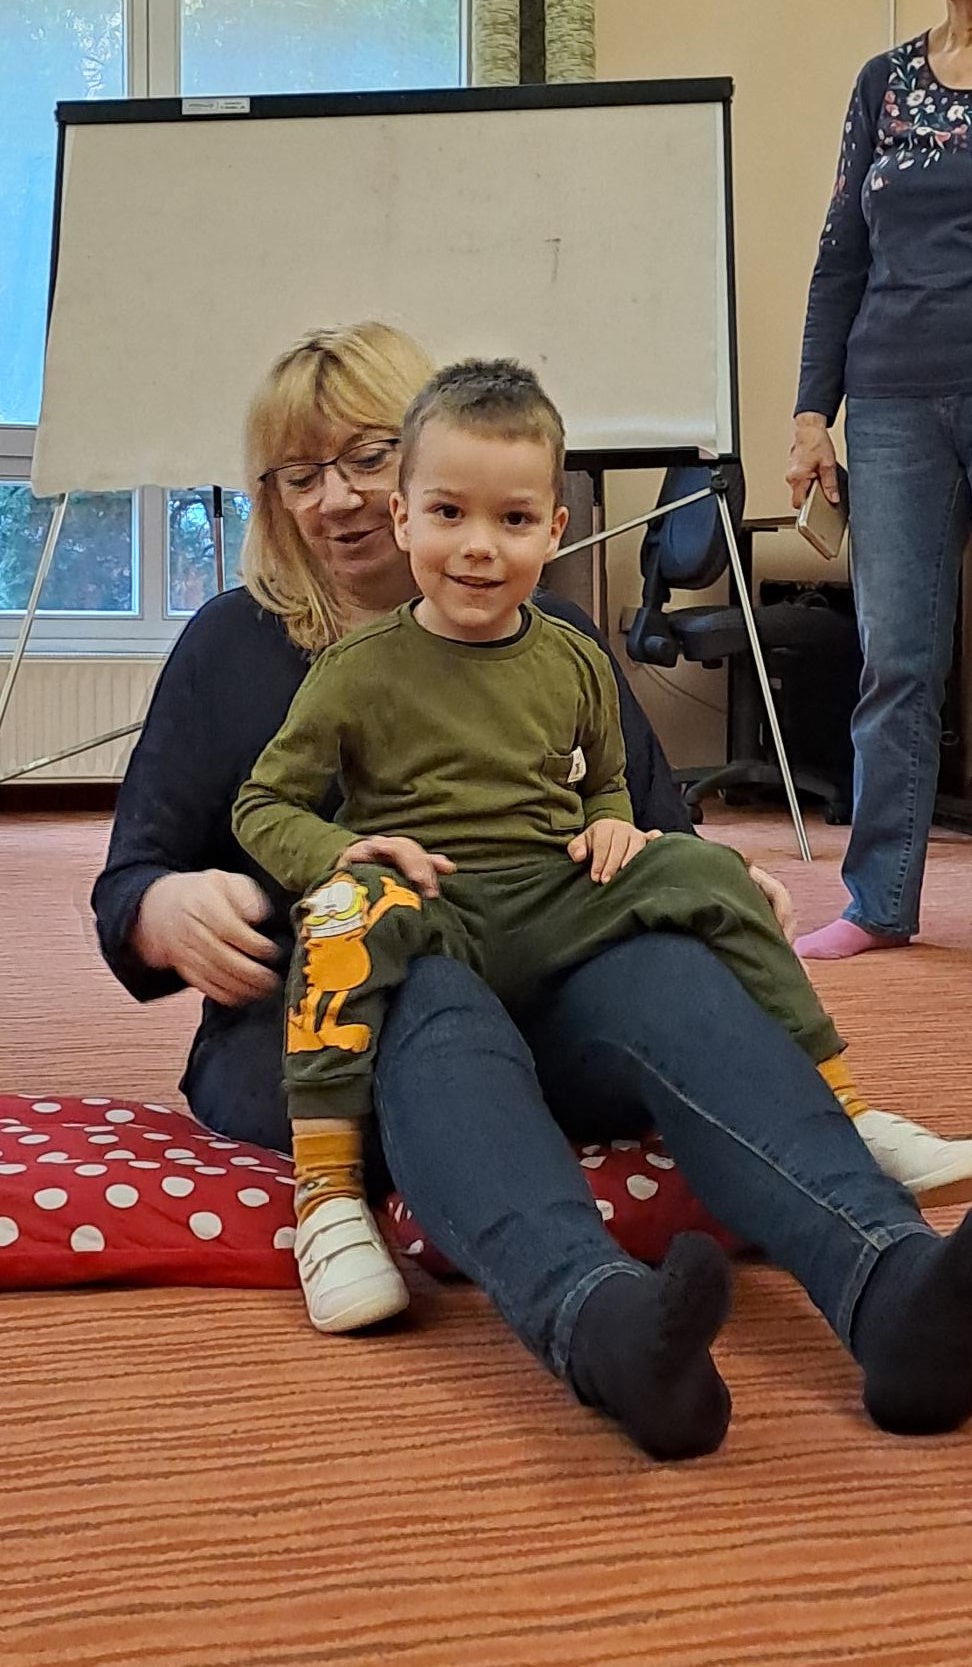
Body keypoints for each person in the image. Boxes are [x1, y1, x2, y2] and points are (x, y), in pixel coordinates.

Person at [95, 321, 972, 1461]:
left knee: (666, 966)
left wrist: (720, 877)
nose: (337, 498)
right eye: (299, 474)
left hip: (549, 976)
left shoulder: (554, 638)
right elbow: (130, 877)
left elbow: (645, 819)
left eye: (363, 456)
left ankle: (890, 1284)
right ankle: (602, 1324)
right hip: (336, 1026)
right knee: (429, 989)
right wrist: (164, 910)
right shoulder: (232, 644)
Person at [233, 358, 884, 1336]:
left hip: (551, 899)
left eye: (511, 519)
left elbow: (603, 776)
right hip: (432, 908)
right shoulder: (354, 670)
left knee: (709, 870)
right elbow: (263, 803)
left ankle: (844, 1104)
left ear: (554, 529)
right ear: (404, 518)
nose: (478, 546)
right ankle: (326, 1196)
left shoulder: (575, 655)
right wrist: (339, 851)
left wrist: (613, 820)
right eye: (447, 513)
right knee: (338, 920)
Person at [788, 7, 972, 960]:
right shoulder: (884, 81)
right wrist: (811, 414)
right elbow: (841, 255)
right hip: (893, 397)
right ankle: (878, 902)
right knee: (896, 655)